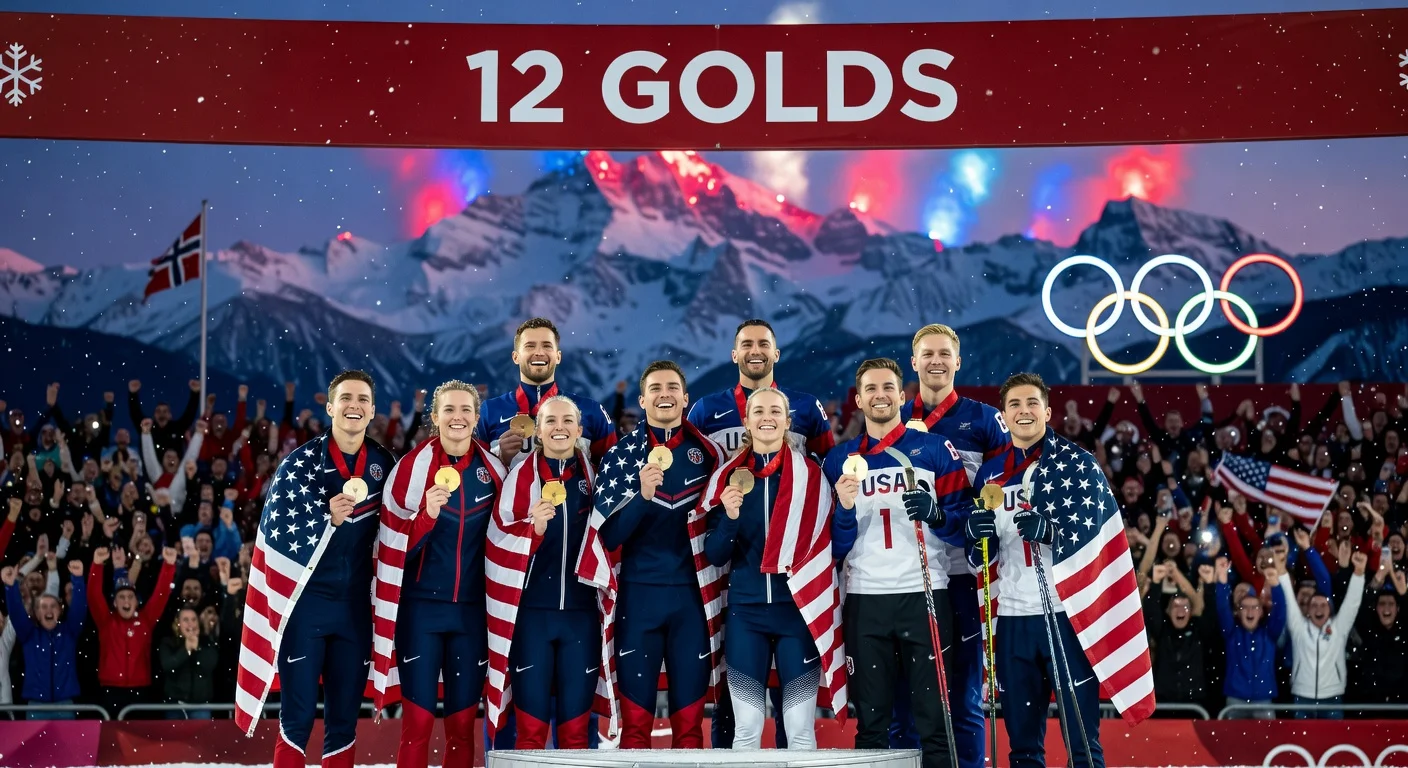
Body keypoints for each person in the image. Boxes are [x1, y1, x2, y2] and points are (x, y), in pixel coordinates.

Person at [234, 370, 396, 768]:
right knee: (297, 718)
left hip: (356, 611)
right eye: (346, 398)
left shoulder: (385, 463)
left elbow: (400, 528)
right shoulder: (300, 463)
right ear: (330, 406)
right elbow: (273, 533)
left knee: (343, 722)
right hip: (305, 609)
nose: (354, 406)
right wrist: (325, 518)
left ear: (373, 410)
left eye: (362, 399)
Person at [685, 317, 835, 747]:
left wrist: (843, 507)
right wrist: (728, 515)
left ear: (789, 421)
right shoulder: (727, 475)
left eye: (775, 412)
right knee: (745, 730)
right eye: (759, 413)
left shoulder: (812, 477)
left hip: (798, 609)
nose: (767, 418)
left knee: (801, 733)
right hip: (746, 611)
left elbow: (831, 538)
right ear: (745, 422)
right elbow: (714, 553)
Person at [822, 358, 973, 768]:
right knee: (871, 723)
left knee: (935, 721)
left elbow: (966, 530)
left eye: (888, 387)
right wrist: (846, 510)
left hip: (924, 595)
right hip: (866, 599)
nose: (880, 395)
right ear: (859, 399)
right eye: (871, 389)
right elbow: (833, 549)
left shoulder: (934, 449)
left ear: (902, 395)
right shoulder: (838, 460)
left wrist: (936, 514)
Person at [964, 373, 1106, 768]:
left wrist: (1052, 532)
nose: (1023, 411)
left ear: (1047, 410)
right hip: (1012, 619)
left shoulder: (1076, 465)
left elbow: (1099, 540)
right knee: (1023, 747)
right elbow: (979, 559)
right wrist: (977, 539)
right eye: (1014, 405)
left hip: (1064, 615)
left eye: (1031, 403)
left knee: (1082, 741)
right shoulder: (990, 475)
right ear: (1004, 417)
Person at [581, 360, 722, 748]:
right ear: (642, 400)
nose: (665, 394)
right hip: (637, 600)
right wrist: (641, 497)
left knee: (692, 733)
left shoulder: (708, 454)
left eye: (673, 387)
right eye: (656, 388)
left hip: (691, 602)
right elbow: (606, 539)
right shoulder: (621, 458)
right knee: (636, 733)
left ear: (685, 398)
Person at [893, 324, 1011, 767]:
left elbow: (1008, 485)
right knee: (906, 702)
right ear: (914, 361)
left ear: (958, 362)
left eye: (945, 354)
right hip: (905, 577)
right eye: (928, 354)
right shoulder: (894, 420)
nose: (936, 361)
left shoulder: (983, 420)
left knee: (962, 698)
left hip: (963, 575)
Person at [372, 380, 506, 768]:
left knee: (462, 728)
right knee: (417, 725)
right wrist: (425, 517)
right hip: (421, 614)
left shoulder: (493, 473)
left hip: (471, 616)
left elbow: (505, 545)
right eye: (449, 410)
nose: (458, 417)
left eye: (466, 410)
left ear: (477, 418)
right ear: (435, 417)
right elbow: (393, 552)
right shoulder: (410, 471)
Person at [484, 395, 606, 749]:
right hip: (532, 619)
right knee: (532, 734)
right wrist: (531, 531)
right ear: (537, 430)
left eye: (568, 421)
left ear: (580, 430)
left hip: (581, 618)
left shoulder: (593, 476)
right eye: (551, 421)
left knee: (575, 735)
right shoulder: (519, 478)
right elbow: (497, 542)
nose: (559, 428)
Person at [477, 317, 617, 468]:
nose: (539, 352)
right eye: (530, 346)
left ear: (558, 357)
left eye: (547, 346)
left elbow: (614, 472)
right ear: (515, 357)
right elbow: (474, 475)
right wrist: (499, 458)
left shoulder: (591, 411)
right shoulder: (489, 411)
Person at [87, 544, 179, 718]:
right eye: (121, 597)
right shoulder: (106, 621)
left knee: (138, 742)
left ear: (137, 602)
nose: (126, 601)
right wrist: (97, 565)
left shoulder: (145, 620)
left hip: (140, 690)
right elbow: (93, 595)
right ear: (114, 603)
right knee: (112, 742)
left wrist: (169, 565)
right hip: (110, 690)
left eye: (130, 597)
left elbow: (160, 595)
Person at [1278, 551, 1365, 719]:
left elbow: (1352, 602)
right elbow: (1288, 598)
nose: (1318, 609)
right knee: (1302, 744)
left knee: (1332, 743)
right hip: (1302, 697)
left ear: (1330, 610)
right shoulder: (1299, 628)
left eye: (1323, 605)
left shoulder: (1339, 628)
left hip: (1332, 698)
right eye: (1314, 605)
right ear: (1308, 611)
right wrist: (1281, 571)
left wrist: (1359, 573)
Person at [2, 560, 87, 719]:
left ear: (60, 611)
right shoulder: (28, 634)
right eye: (43, 606)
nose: (49, 610)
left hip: (65, 704)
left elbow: (79, 609)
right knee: (36, 745)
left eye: (53, 606)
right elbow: (15, 612)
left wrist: (78, 579)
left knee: (67, 745)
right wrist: (11, 587)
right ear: (36, 613)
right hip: (36, 705)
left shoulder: (69, 632)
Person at [1214, 555, 1286, 720]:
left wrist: (1275, 585)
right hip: (1235, 699)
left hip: (1264, 700)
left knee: (1267, 744)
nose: (1250, 611)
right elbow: (1222, 607)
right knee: (1233, 744)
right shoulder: (1232, 632)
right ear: (1238, 612)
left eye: (1254, 607)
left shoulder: (1269, 633)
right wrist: (1222, 580)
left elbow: (1281, 613)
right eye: (1245, 607)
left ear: (1261, 612)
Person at [159, 606, 219, 719]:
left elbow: (209, 665)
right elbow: (168, 665)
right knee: (175, 737)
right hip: (175, 707)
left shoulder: (206, 642)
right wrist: (186, 650)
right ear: (178, 624)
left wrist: (196, 648)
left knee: (201, 737)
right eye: (185, 620)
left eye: (193, 619)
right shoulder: (168, 643)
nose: (190, 624)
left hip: (200, 708)